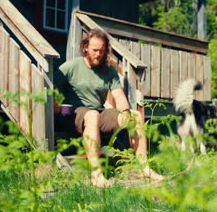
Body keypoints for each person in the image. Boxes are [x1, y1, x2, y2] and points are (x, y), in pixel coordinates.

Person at [56, 28, 164, 187]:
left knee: (135, 116)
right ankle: (96, 174)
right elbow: (51, 84)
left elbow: (119, 96)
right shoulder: (72, 66)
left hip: (99, 114)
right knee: (92, 115)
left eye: (101, 50)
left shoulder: (109, 71)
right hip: (75, 114)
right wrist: (55, 104)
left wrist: (126, 112)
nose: (98, 54)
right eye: (94, 50)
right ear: (85, 47)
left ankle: (144, 168)